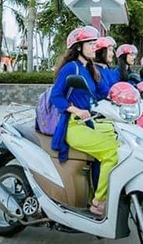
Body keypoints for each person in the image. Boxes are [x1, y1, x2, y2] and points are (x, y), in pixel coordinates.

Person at [50, 26, 117, 217]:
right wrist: (76, 110)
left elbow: (104, 92)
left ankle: (102, 188)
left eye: (95, 43)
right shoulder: (72, 68)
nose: (95, 47)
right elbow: (56, 96)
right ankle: (98, 201)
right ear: (79, 47)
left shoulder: (90, 68)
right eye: (90, 43)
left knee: (121, 140)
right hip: (73, 124)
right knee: (111, 151)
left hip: (91, 122)